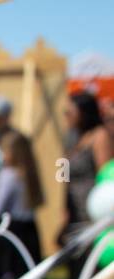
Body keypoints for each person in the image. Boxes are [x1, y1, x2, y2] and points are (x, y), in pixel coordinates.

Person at [58, 92, 114, 251]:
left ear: (83, 112)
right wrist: (63, 208)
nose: (66, 117)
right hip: (74, 212)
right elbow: (63, 175)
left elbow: (106, 176)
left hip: (93, 213)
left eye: (69, 112)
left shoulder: (100, 136)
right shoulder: (71, 138)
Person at [0, 130, 44, 279]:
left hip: (11, 232)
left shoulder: (8, 175)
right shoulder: (29, 174)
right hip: (30, 232)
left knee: (8, 277)